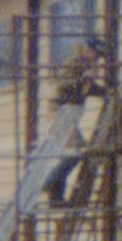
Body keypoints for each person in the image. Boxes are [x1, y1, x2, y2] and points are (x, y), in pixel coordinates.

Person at [42, 36, 107, 206]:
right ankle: (49, 182)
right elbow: (62, 85)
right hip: (60, 112)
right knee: (76, 152)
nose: (98, 59)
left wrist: (105, 91)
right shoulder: (75, 62)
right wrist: (85, 78)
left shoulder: (85, 65)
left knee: (70, 153)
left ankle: (55, 199)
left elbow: (86, 89)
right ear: (89, 50)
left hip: (67, 114)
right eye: (97, 55)